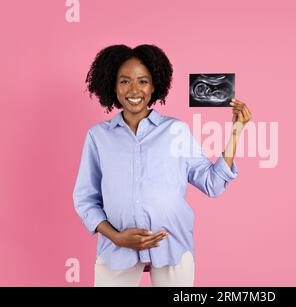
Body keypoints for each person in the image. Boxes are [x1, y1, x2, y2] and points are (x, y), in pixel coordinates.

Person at [73, 44, 252, 287]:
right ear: (113, 86)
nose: (134, 90)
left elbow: (213, 184)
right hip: (115, 249)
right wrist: (116, 237)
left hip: (173, 245)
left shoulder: (175, 131)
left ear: (155, 85)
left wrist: (236, 130)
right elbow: (85, 199)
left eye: (143, 81)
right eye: (125, 81)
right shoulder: (98, 137)